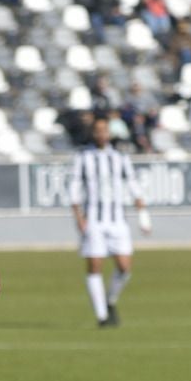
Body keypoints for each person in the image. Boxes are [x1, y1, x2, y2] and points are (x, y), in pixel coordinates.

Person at [69, 116, 149, 327]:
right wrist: (78, 218)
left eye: (104, 130)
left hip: (117, 220)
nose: (101, 134)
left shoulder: (120, 157)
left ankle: (110, 300)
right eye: (97, 130)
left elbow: (132, 184)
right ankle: (102, 316)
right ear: (93, 133)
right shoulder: (83, 157)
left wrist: (142, 212)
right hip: (93, 220)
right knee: (95, 266)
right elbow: (75, 188)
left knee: (124, 267)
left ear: (109, 133)